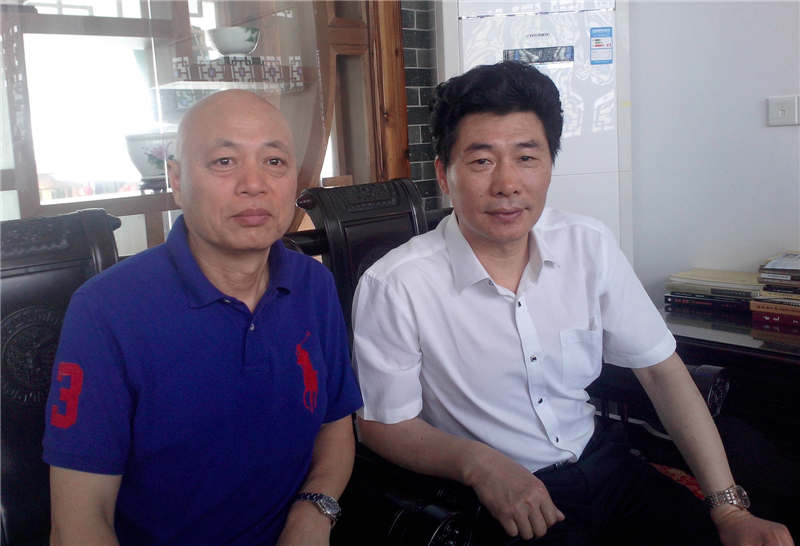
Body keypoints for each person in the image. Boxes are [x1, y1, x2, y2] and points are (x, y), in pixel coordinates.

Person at [351, 61, 793, 545]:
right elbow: (381, 426)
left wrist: (729, 510)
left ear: (549, 165)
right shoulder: (395, 284)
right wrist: (477, 464)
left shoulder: (587, 244)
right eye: (481, 162)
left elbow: (661, 372)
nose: (507, 184)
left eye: (527, 157)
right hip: (499, 499)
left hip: (605, 467)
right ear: (443, 174)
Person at [43, 90, 363, 546]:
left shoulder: (313, 285)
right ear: (176, 180)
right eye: (224, 162)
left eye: (274, 162)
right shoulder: (106, 312)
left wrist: (315, 509)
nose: (254, 184)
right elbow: (78, 522)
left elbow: (335, 425)